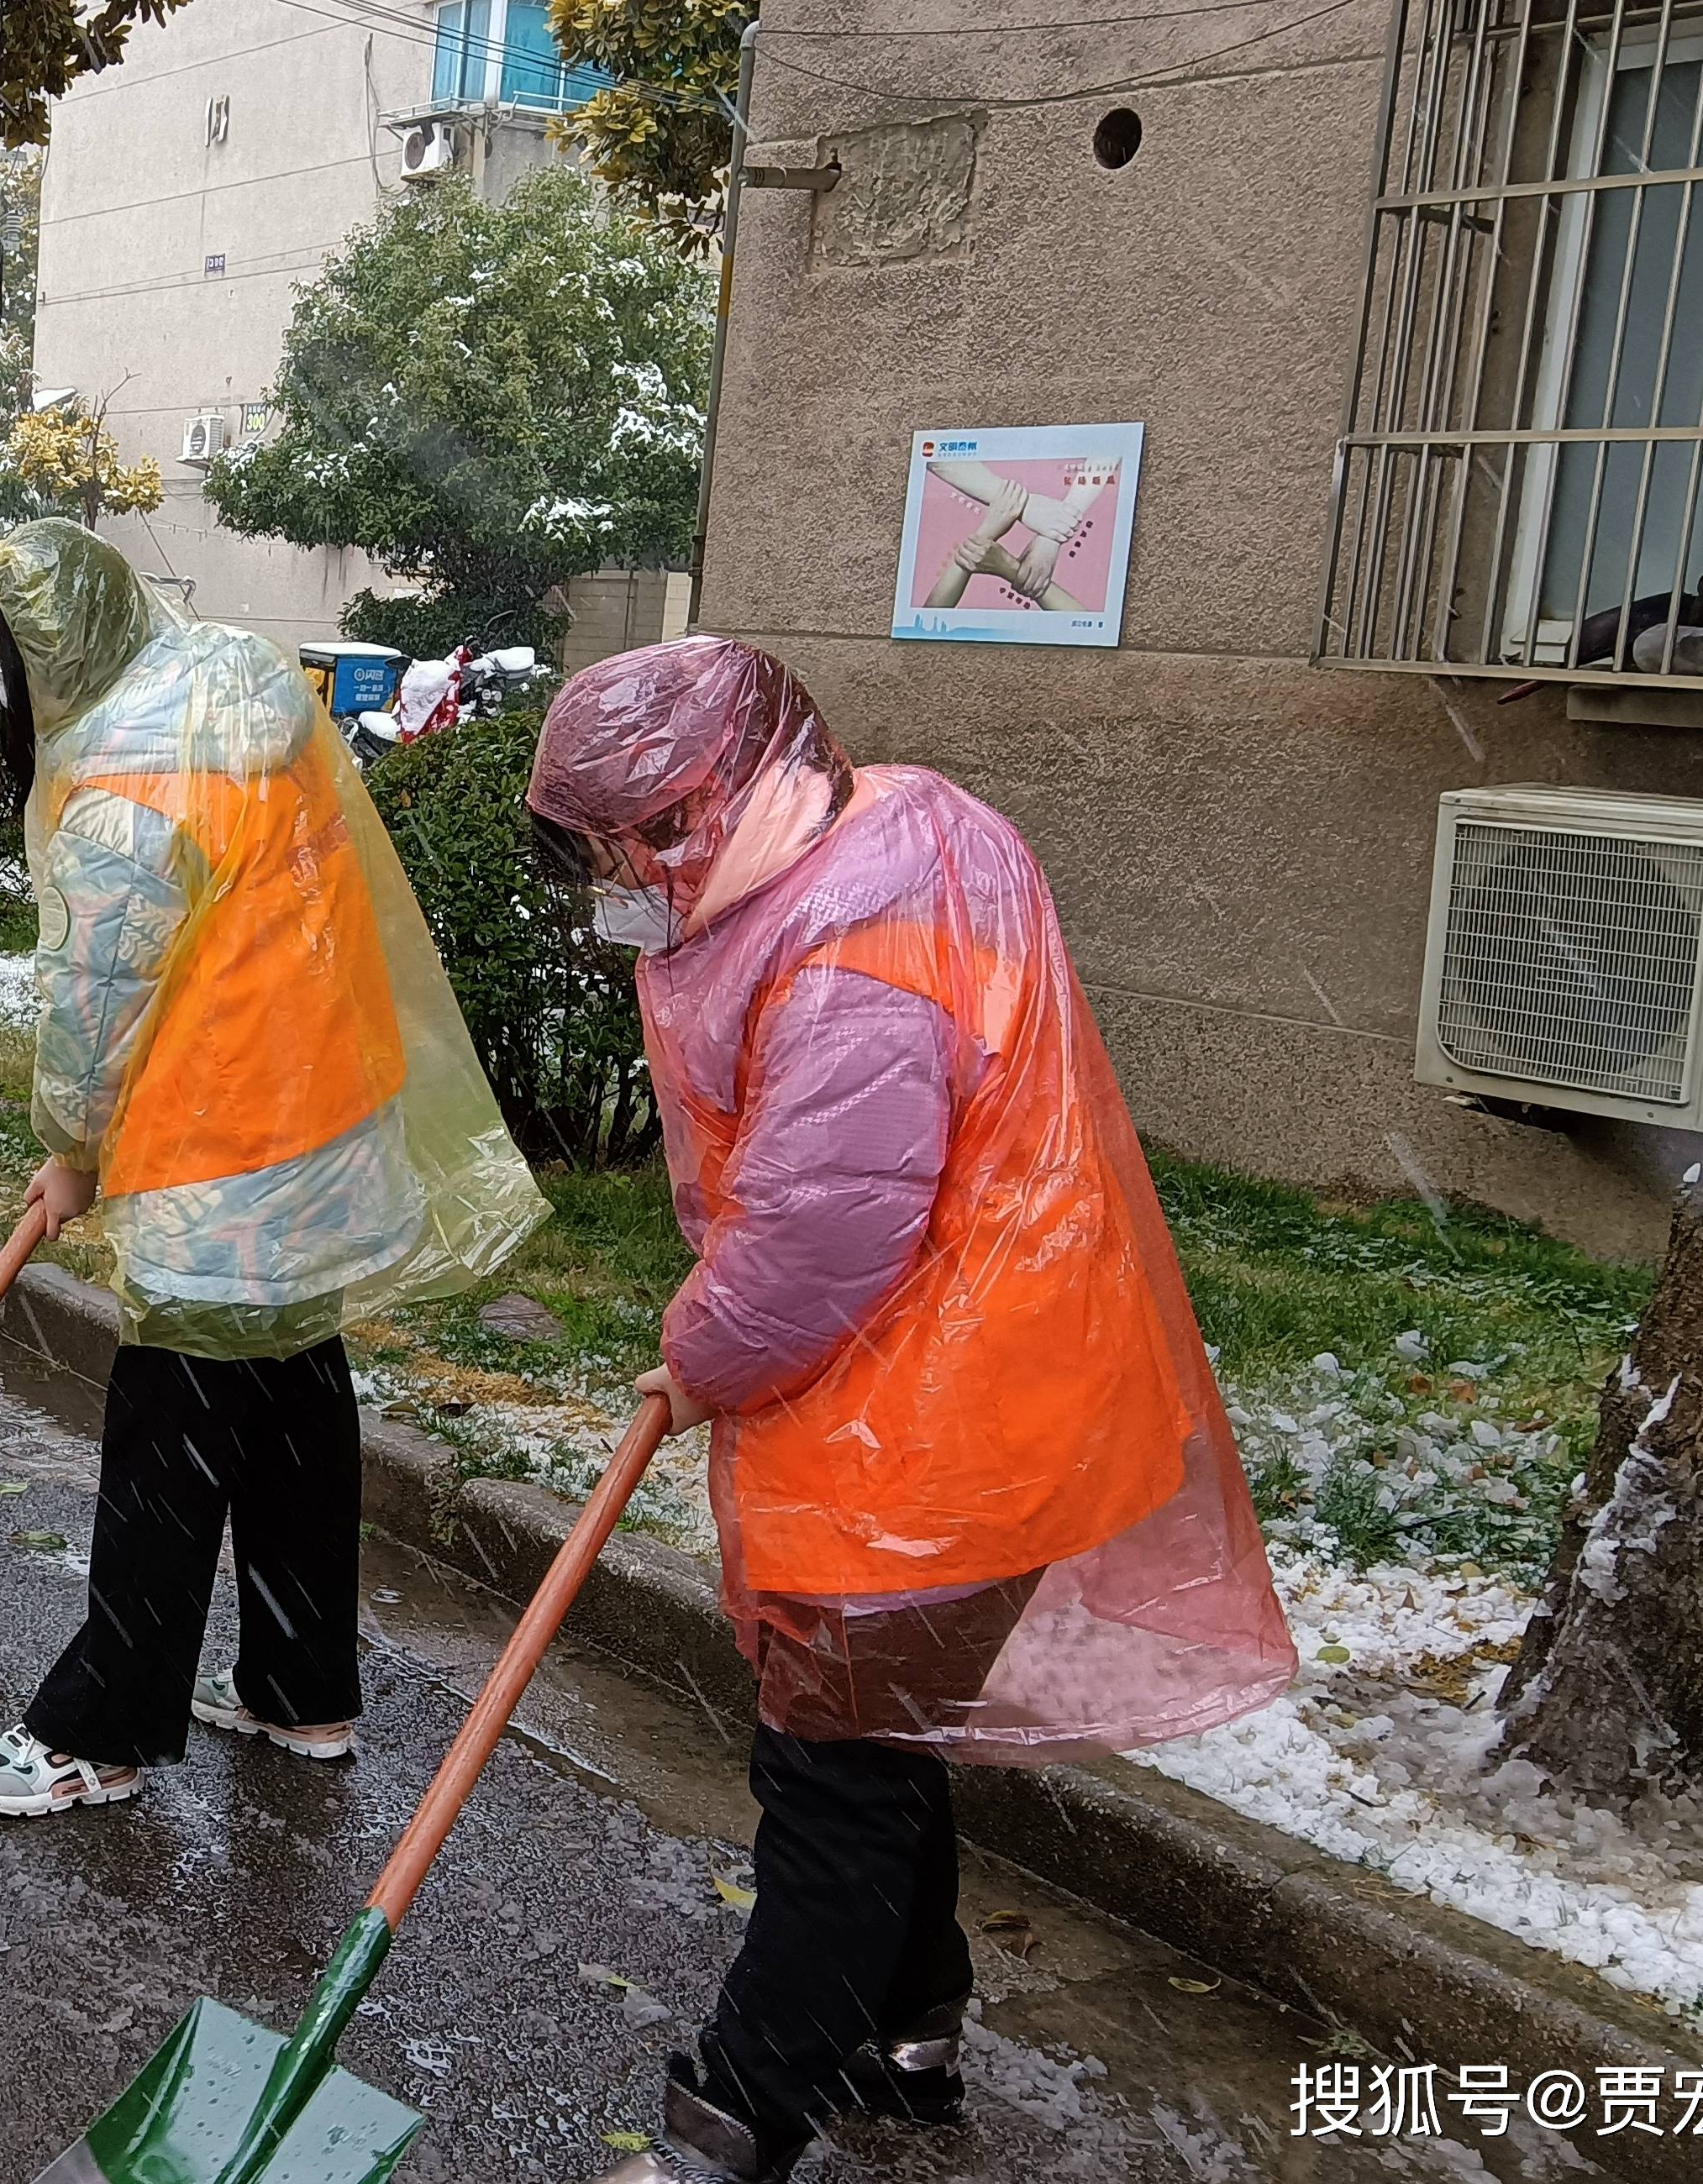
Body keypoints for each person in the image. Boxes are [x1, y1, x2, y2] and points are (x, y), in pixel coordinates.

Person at [525, 638, 1294, 2184]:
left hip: (936, 1419)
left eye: (648, 832)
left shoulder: (853, 948)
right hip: (963, 1380)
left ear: (741, 784)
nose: (626, 871)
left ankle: (730, 2121)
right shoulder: (888, 834)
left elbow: (822, 1234)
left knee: (829, 1789)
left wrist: (699, 1351)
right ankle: (908, 2030)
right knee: (875, 1741)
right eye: (601, 843)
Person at [0, 519, 544, 1819]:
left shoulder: (127, 786)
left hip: (226, 1156)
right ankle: (298, 1684)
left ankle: (105, 1728)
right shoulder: (238, 698)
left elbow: (95, 1005)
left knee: (171, 1431)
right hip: (333, 1116)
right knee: (292, 1405)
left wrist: (69, 1149)